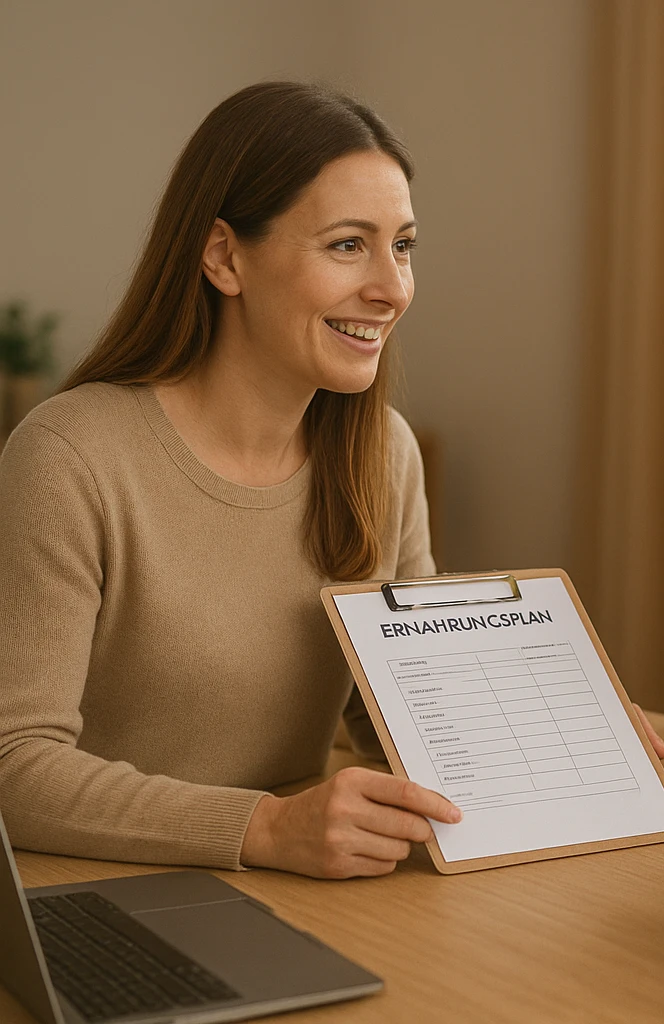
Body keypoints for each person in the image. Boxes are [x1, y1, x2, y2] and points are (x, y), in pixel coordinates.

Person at [0, 82, 460, 879]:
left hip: (295, 884)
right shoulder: (70, 456)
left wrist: (545, 724)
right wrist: (268, 828)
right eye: (348, 244)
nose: (392, 287)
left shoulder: (384, 453)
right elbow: (15, 764)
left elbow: (399, 712)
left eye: (404, 245)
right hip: (95, 890)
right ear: (224, 257)